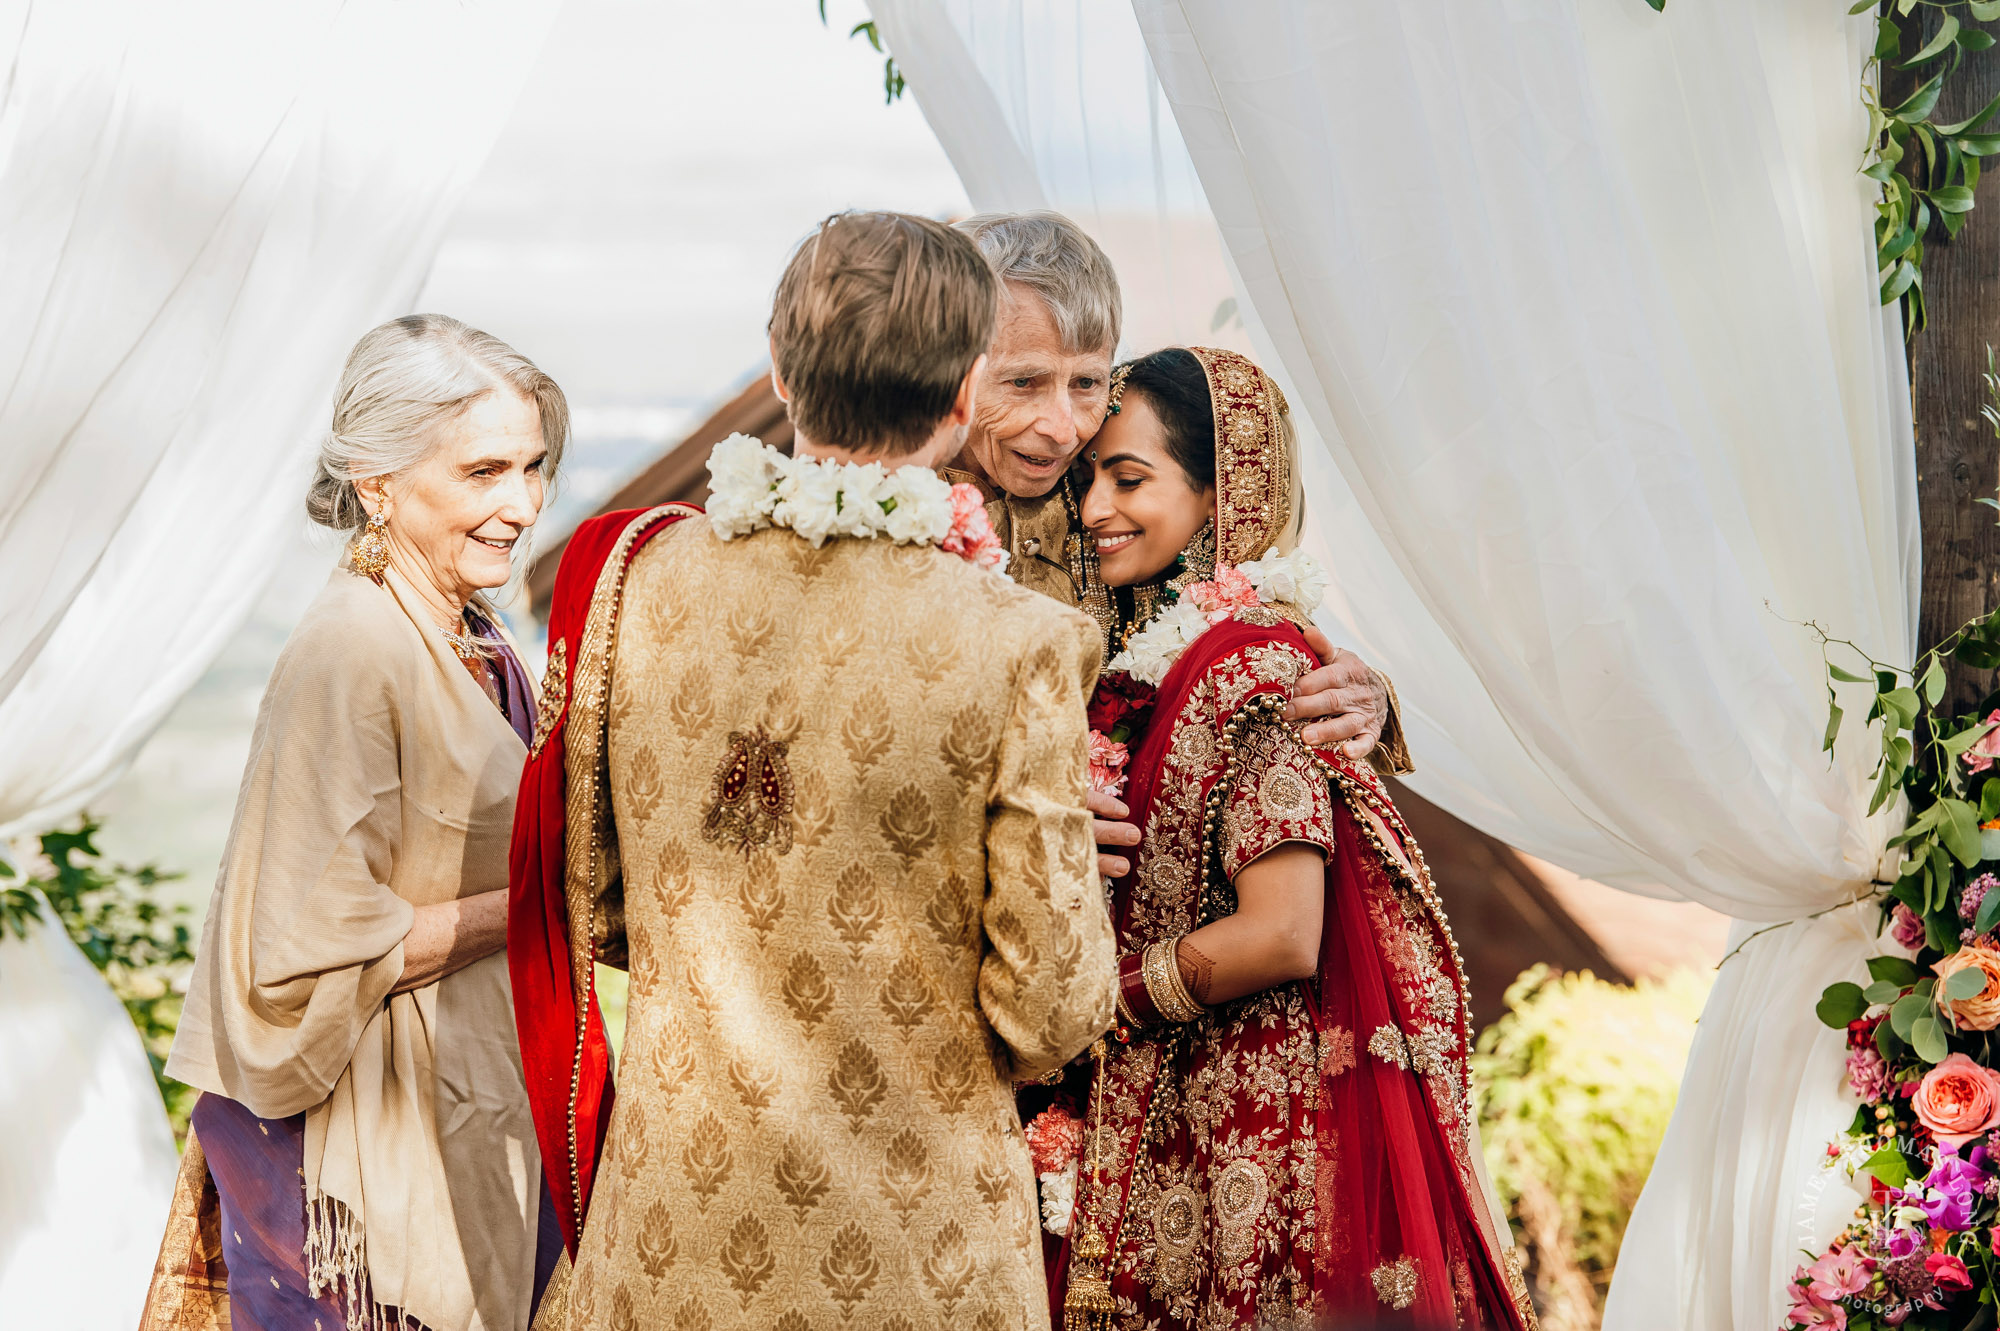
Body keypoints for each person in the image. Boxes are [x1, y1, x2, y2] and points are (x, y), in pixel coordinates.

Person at [508, 211, 1117, 1330]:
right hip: (915, 1251)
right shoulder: (1017, 641)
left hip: (671, 1231)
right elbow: (1051, 1007)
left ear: (780, 369)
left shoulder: (635, 583)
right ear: (963, 395)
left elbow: (589, 902)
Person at [1037, 347, 1535, 1330]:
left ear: (1230, 492)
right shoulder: (1148, 654)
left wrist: (1098, 996)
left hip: (1251, 1134)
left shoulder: (1253, 663)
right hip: (1179, 1110)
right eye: (1085, 478)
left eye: (1128, 478)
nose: (1092, 506)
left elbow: (1281, 930)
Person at [142, 315, 565, 1331]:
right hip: (353, 1159)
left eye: (535, 466)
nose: (521, 504)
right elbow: (302, 949)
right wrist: (545, 902)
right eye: (483, 471)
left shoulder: (474, 628)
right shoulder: (350, 652)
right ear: (377, 481)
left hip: (469, 1101)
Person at [943, 211, 1411, 886]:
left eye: (1085, 384)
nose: (1060, 427)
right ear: (953, 364)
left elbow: (1219, 622)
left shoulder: (1093, 500)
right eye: (1023, 382)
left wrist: (1368, 694)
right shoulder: (879, 510)